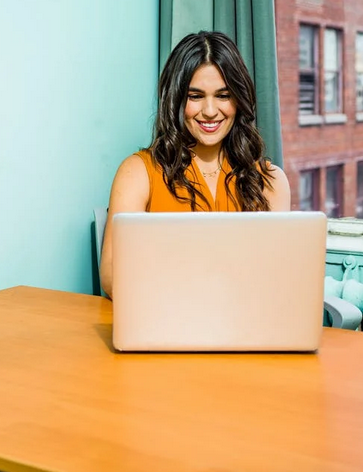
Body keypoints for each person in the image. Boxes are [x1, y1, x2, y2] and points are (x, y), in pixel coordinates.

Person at [99, 31, 291, 298]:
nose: (210, 111)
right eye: (195, 96)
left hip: (245, 327)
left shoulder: (271, 180)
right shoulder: (137, 173)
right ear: (176, 100)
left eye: (223, 95)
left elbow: (278, 278)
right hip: (164, 320)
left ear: (239, 99)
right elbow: (111, 278)